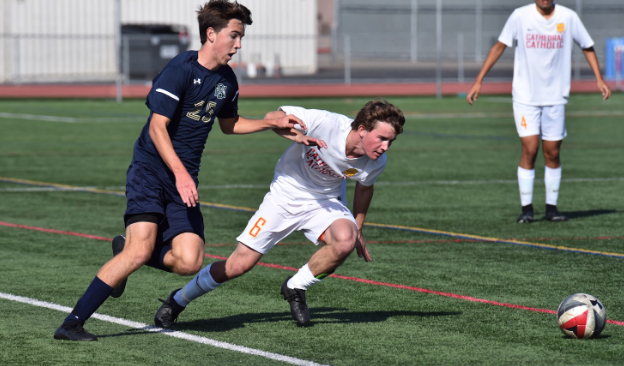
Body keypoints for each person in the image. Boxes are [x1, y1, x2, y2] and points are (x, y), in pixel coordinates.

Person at [54, 0, 310, 341]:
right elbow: (158, 128)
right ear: (211, 34)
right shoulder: (180, 69)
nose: (239, 44)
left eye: (241, 37)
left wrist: (269, 122)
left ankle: (127, 251)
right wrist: (181, 173)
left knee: (189, 261)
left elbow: (229, 125)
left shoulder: (228, 81)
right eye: (234, 36)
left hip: (182, 178)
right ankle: (71, 323)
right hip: (151, 170)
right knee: (140, 249)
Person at [153, 99, 405, 327]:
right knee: (238, 265)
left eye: (390, 141)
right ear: (362, 130)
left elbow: (364, 190)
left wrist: (357, 227)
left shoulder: (375, 161)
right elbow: (276, 116)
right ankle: (178, 299)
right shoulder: (326, 123)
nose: (385, 147)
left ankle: (295, 286)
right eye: (382, 138)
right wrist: (295, 135)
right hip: (284, 197)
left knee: (345, 240)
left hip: (324, 202)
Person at [466, 0, 611, 223]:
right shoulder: (520, 16)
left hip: (555, 97)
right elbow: (499, 46)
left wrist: (599, 79)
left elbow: (587, 45)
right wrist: (479, 80)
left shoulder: (568, 17)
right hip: (526, 97)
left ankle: (551, 209)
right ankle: (527, 209)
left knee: (552, 152)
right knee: (531, 148)